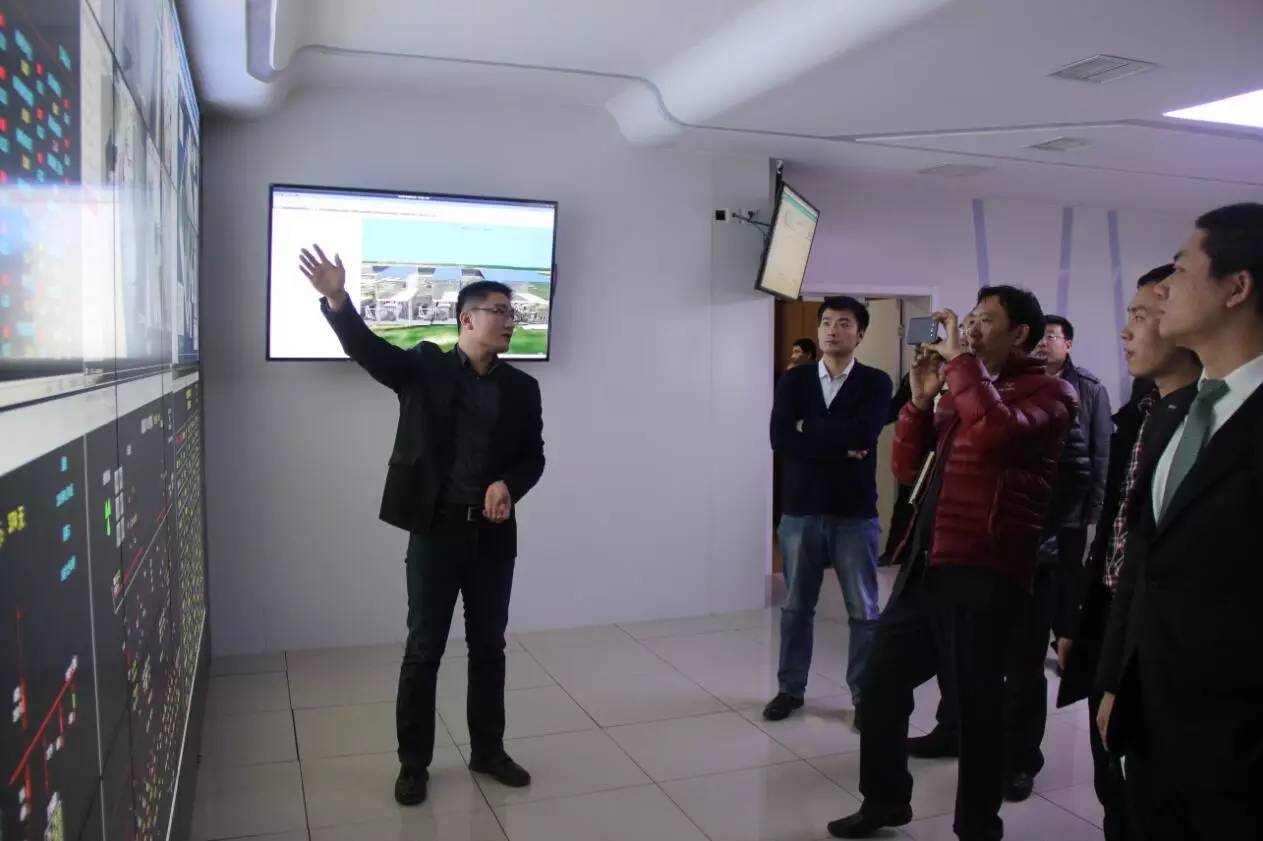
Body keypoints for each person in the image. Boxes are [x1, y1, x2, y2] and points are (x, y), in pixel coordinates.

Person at [827, 286, 1078, 841]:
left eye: (985, 320)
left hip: (983, 568)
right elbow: (906, 470)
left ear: (1020, 334)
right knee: (881, 682)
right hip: (928, 562)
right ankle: (884, 801)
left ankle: (977, 826)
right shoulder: (961, 389)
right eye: (970, 319)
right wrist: (919, 404)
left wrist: (962, 367)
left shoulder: (1051, 392)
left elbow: (996, 436)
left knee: (976, 704)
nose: (970, 329)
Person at [299, 245, 546, 806]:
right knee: (423, 648)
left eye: (512, 313)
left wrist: (508, 485)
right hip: (436, 532)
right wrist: (337, 300)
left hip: (493, 539)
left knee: (489, 647)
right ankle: (413, 765)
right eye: (499, 311)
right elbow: (368, 351)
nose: (510, 321)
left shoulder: (521, 389)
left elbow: (533, 457)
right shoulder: (425, 368)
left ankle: (488, 750)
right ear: (467, 319)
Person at [1097, 203, 1263, 839]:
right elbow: (1148, 561)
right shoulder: (1181, 410)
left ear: (1236, 287)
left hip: (1237, 753)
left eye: (1182, 270)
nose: (1162, 289)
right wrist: (1119, 681)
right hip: (1156, 724)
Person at [1055, 264, 1201, 841]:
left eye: (1142, 316)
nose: (1126, 331)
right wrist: (1082, 622)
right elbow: (1117, 536)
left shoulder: (1206, 422)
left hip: (1154, 640)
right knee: (1112, 784)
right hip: (1112, 617)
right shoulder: (1143, 411)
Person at [766, 296, 893, 726]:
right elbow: (781, 439)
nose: (832, 330)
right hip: (801, 509)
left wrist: (809, 430)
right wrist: (840, 447)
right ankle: (790, 689)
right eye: (825, 322)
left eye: (843, 323)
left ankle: (864, 697)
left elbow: (865, 433)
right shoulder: (795, 380)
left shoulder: (875, 382)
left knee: (864, 612)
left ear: (860, 333)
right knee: (796, 608)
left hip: (854, 512)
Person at [1034, 315, 1113, 642]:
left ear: (1067, 344)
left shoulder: (1089, 388)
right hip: (1030, 500)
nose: (1043, 343)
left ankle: (1066, 640)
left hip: (1071, 502)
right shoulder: (1023, 381)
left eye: (1051, 336)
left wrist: (1095, 505)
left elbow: (1101, 451)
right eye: (1039, 336)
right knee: (1033, 575)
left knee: (1067, 575)